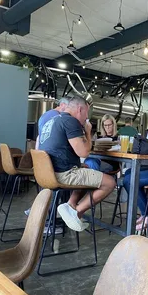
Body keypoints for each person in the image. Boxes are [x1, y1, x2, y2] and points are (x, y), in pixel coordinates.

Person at [39, 96, 116, 232]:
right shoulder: (71, 121)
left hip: (47, 173)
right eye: (86, 113)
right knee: (110, 183)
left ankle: (70, 205)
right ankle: (76, 212)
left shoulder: (53, 120)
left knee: (86, 168)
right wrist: (87, 131)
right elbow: (84, 152)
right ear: (80, 109)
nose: (87, 118)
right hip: (63, 174)